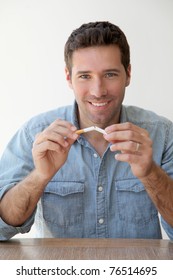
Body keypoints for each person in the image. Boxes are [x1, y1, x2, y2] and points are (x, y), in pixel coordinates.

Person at [0, 21, 173, 240]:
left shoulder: (162, 133)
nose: (98, 91)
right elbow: (1, 227)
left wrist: (150, 173)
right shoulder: (34, 134)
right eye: (84, 76)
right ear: (68, 77)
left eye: (110, 74)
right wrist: (40, 176)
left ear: (128, 74)